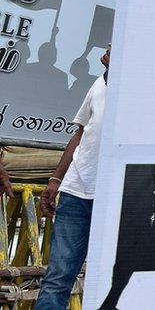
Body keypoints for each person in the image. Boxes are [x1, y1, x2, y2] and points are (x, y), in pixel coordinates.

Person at [36, 45, 110, 310]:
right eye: (108, 49)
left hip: (115, 197)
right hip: (76, 191)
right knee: (58, 277)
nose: (106, 52)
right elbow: (79, 134)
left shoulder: (142, 91)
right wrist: (56, 180)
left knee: (107, 279)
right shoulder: (97, 86)